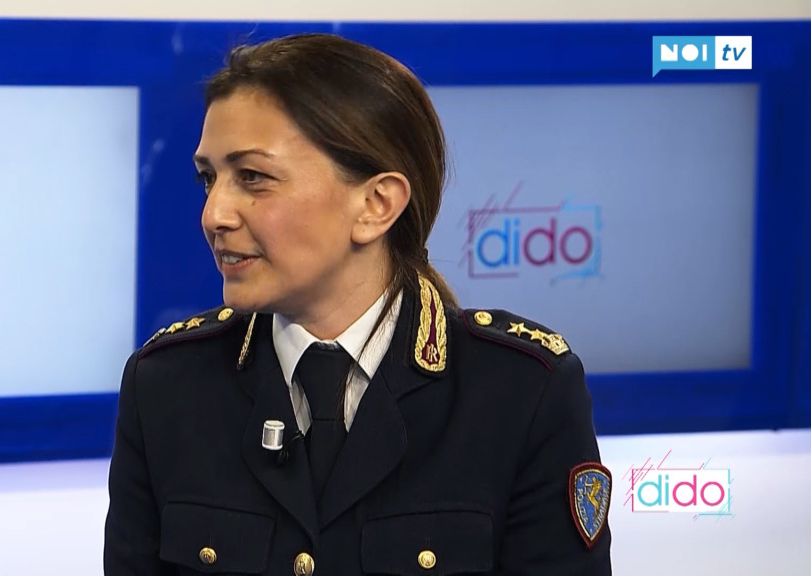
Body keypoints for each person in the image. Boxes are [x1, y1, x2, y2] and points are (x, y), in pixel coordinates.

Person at [104, 33, 612, 576]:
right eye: (209, 178)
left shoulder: (522, 393)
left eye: (252, 177)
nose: (214, 215)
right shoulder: (165, 387)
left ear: (375, 204)